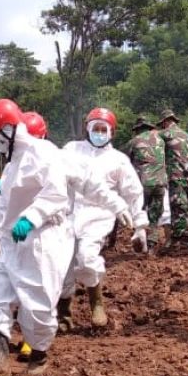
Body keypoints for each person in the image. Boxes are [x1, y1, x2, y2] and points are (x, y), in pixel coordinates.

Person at [0, 98, 72, 376]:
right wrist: (0, 186)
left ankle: (39, 356)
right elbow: (14, 190)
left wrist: (31, 218)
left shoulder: (44, 152)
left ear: (9, 129)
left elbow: (55, 192)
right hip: (10, 245)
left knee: (36, 305)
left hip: (38, 240)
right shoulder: (13, 162)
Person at [59, 107, 145, 328]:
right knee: (62, 262)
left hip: (99, 214)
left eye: (102, 129)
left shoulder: (119, 160)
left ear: (111, 132)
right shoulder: (71, 150)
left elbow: (133, 193)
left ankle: (96, 303)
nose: (98, 133)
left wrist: (139, 224)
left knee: (87, 257)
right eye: (94, 128)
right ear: (86, 129)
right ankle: (63, 313)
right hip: (69, 210)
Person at [125, 115, 167, 254]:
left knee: (140, 212)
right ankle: (152, 246)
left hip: (142, 183)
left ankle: (141, 239)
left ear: (137, 129)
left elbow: (124, 162)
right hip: (160, 182)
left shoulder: (134, 142)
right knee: (154, 215)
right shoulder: (161, 140)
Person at [158, 108, 188, 250]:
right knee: (184, 208)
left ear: (166, 122)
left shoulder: (164, 134)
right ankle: (184, 239)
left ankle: (179, 243)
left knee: (177, 208)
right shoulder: (186, 135)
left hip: (175, 175)